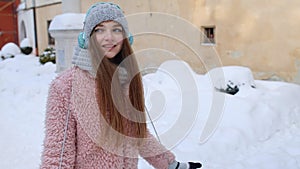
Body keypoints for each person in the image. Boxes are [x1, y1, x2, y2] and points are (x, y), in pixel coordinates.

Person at [40, 2, 202, 169]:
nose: (109, 37)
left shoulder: (125, 81)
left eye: (116, 29)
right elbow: (57, 155)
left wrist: (170, 164)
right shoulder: (66, 87)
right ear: (87, 38)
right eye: (99, 30)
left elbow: (137, 134)